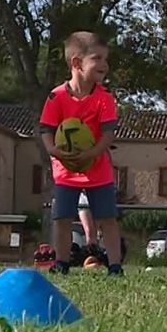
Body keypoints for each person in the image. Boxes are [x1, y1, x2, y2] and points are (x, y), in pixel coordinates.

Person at [39, 31, 122, 276]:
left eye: (106, 60)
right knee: (62, 219)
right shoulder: (56, 97)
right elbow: (46, 129)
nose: (104, 65)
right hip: (65, 171)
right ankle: (61, 262)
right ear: (76, 63)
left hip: (98, 169)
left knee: (107, 218)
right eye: (97, 58)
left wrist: (93, 153)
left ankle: (115, 265)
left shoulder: (105, 98)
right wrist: (54, 150)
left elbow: (108, 134)